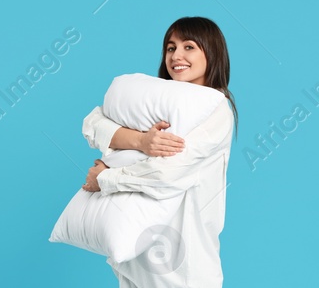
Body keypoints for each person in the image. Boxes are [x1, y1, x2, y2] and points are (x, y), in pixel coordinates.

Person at [81, 16, 237, 287]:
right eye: (170, 47)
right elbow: (93, 123)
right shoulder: (156, 101)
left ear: (212, 53)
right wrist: (141, 141)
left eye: (189, 47)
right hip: (136, 259)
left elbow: (169, 172)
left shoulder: (215, 108)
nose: (177, 55)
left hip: (182, 266)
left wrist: (105, 178)